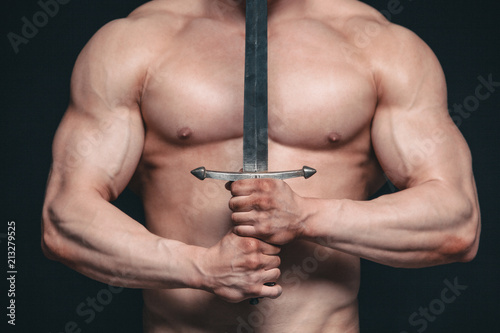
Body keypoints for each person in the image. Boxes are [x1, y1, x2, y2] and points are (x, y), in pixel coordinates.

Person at [41, 0, 480, 332]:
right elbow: (64, 219)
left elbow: (455, 223)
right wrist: (199, 268)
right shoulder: (134, 43)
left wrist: (308, 215)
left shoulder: (380, 46)